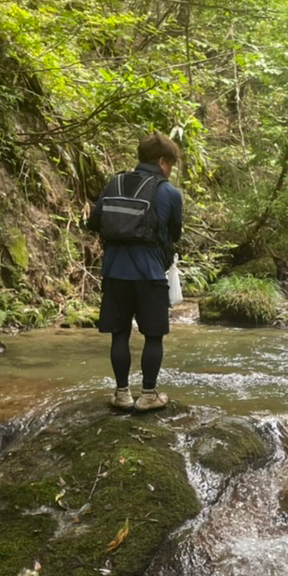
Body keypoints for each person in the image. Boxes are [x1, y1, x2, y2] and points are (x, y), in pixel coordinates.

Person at [88, 131, 183, 411]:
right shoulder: (168, 192)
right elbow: (174, 234)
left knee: (120, 334)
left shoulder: (115, 182)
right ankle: (149, 395)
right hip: (150, 273)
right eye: (171, 166)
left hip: (115, 271)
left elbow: (94, 222)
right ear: (163, 161)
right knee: (153, 336)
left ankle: (121, 394)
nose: (170, 171)